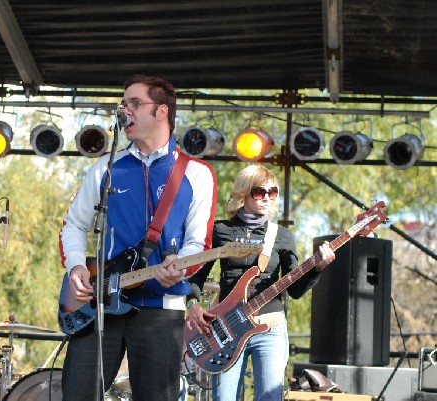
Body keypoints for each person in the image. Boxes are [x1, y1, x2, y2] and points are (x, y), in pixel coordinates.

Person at [59, 74, 217, 401]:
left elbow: (199, 243)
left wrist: (180, 266)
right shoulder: (105, 167)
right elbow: (73, 225)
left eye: (134, 103)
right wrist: (76, 268)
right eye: (123, 104)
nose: (124, 111)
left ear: (161, 111)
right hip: (100, 303)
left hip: (162, 305)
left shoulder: (196, 173)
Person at [185, 164, 335, 401]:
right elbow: (196, 277)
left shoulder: (282, 236)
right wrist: (192, 305)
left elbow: (295, 290)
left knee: (269, 397)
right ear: (243, 192)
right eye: (259, 192)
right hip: (226, 328)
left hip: (270, 328)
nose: (266, 198)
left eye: (272, 192)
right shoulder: (220, 230)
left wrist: (317, 269)